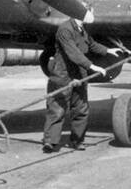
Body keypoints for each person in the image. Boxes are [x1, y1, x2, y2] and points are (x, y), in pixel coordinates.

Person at [41, 14, 124, 153]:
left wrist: (108, 50)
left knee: (81, 109)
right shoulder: (65, 29)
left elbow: (91, 44)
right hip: (62, 74)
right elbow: (73, 53)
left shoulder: (82, 29)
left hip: (79, 73)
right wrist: (92, 66)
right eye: (89, 11)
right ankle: (50, 142)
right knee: (57, 109)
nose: (91, 14)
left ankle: (77, 141)